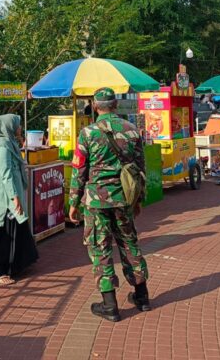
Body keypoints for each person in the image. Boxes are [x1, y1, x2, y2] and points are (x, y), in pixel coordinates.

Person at [68, 87, 149, 322]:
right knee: (128, 243)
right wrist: (138, 199)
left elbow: (79, 171)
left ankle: (109, 304)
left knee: (100, 248)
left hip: (96, 202)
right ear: (116, 105)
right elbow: (140, 170)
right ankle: (142, 297)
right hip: (124, 199)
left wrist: (73, 202)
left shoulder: (87, 133)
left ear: (95, 106)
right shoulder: (132, 131)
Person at [0, 114, 38, 285]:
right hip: (3, 200)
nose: (20, 128)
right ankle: (1, 272)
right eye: (18, 125)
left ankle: (4, 268)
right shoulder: (2, 147)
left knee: (9, 233)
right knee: (6, 235)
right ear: (9, 126)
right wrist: (15, 198)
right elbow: (6, 175)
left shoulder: (9, 143)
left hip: (4, 199)